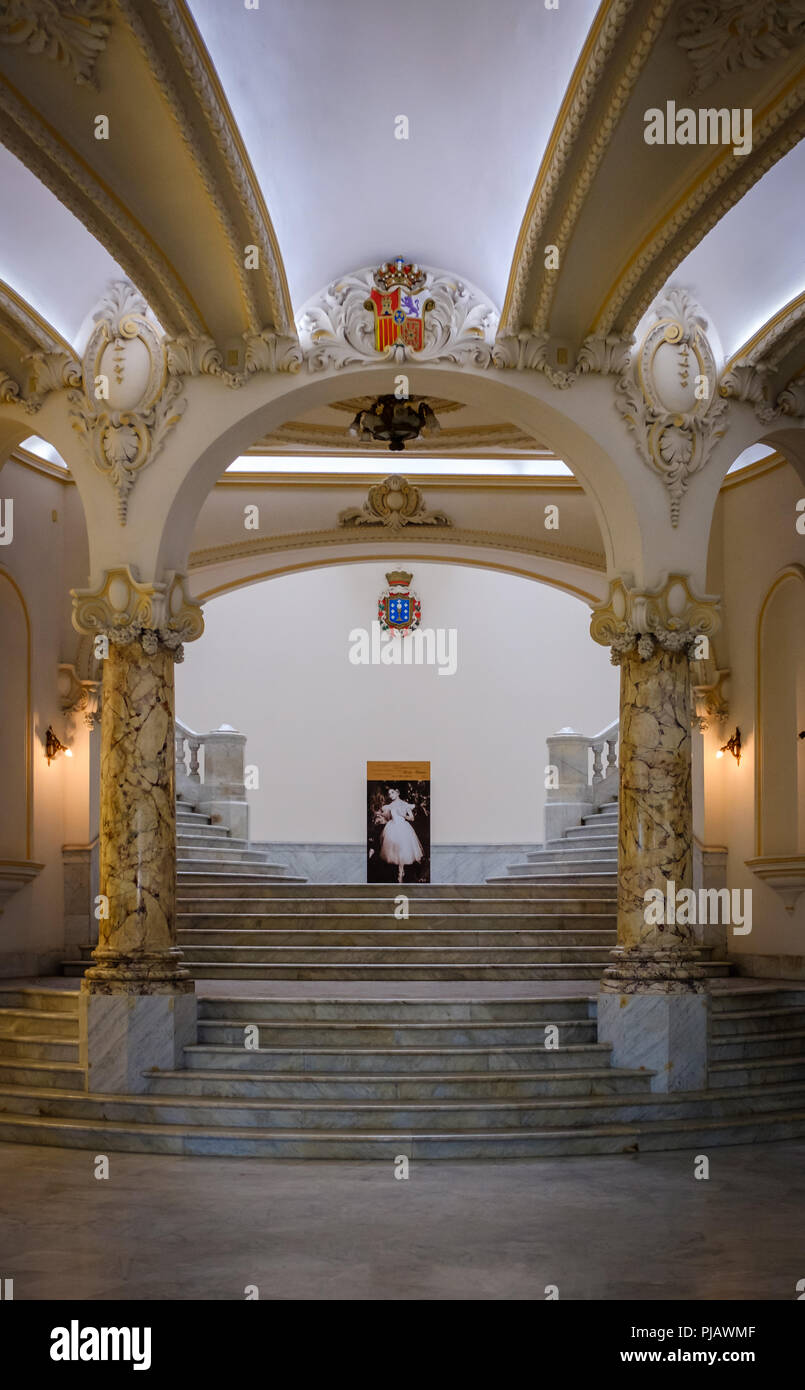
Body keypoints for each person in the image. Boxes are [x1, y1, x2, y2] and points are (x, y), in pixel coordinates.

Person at [378, 786, 424, 884]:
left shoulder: (405, 804)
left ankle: (400, 872)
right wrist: (381, 817)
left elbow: (412, 818)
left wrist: (402, 815)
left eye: (392, 793)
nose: (390, 795)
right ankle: (400, 872)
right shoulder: (390, 806)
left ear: (398, 792)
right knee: (396, 851)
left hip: (403, 828)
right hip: (393, 828)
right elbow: (387, 817)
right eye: (389, 794)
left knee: (403, 850)